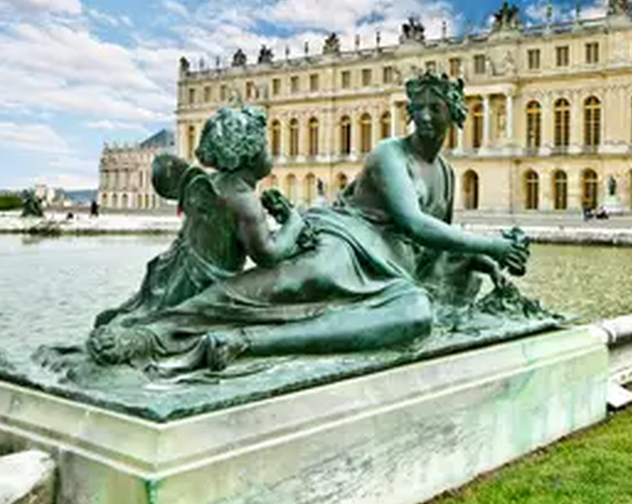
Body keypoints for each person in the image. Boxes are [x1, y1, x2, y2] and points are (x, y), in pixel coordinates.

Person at [86, 72, 529, 374]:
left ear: (456, 112)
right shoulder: (389, 154)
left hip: (393, 272)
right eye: (419, 108)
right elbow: (413, 222)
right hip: (346, 239)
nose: (427, 116)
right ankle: (156, 332)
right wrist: (488, 246)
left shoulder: (448, 172)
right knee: (284, 284)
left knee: (416, 315)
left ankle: (245, 342)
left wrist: (471, 261)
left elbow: (427, 245)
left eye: (436, 108)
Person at [90, 103, 308, 331]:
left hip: (176, 277)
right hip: (205, 287)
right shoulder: (244, 199)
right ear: (250, 154)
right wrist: (294, 221)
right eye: (265, 146)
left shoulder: (211, 183)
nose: (269, 153)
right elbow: (268, 255)